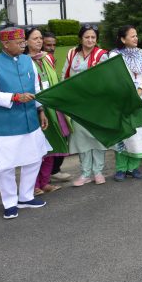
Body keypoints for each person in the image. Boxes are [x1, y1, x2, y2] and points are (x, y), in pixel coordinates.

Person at [0, 27, 50, 220]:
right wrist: (15, 97)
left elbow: (36, 88)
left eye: (23, 41)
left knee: (34, 159)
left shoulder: (28, 61)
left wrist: (40, 110)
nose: (23, 45)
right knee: (7, 166)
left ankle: (26, 196)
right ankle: (10, 202)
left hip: (31, 121)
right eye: (19, 43)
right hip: (7, 125)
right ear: (5, 44)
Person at [62, 24, 109, 186]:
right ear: (80, 38)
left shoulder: (102, 56)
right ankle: (85, 173)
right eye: (87, 37)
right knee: (81, 139)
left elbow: (106, 79)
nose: (90, 40)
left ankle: (98, 171)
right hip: (78, 105)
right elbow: (65, 76)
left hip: (97, 104)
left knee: (97, 138)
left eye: (93, 37)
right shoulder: (72, 54)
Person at [108, 26, 142, 181]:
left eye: (136, 35)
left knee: (138, 130)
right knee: (124, 132)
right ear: (123, 39)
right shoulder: (114, 55)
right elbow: (113, 77)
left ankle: (133, 167)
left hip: (139, 98)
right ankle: (121, 169)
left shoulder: (141, 53)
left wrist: (141, 90)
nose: (136, 38)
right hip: (122, 99)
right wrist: (127, 92)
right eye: (132, 36)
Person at [24, 27, 68, 195]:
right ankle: (33, 185)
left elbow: (54, 80)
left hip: (51, 107)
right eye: (35, 38)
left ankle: (45, 181)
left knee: (51, 145)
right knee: (36, 149)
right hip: (34, 107)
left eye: (40, 38)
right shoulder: (24, 61)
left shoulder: (47, 58)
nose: (39, 41)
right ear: (26, 41)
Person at [41, 31, 71, 182]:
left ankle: (54, 170)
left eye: (54, 45)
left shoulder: (50, 59)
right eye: (48, 45)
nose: (51, 48)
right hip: (43, 107)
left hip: (56, 104)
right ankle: (48, 174)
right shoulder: (35, 60)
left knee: (64, 133)